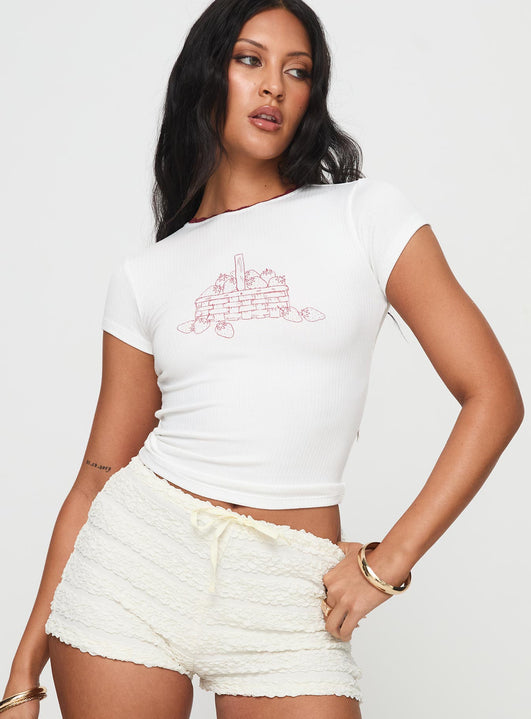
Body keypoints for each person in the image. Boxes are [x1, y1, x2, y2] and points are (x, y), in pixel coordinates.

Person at [1, 0, 524, 717]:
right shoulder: (146, 275)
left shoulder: (364, 216)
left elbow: (493, 396)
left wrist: (389, 560)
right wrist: (23, 667)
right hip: (135, 565)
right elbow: (98, 476)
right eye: (249, 60)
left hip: (288, 594)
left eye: (296, 71)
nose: (273, 85)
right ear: (206, 75)